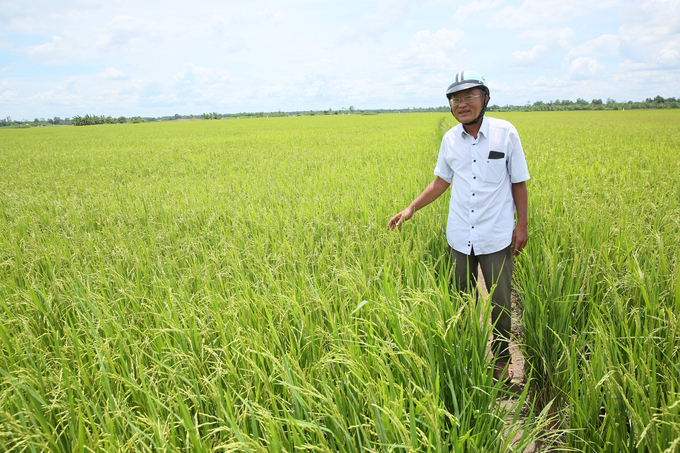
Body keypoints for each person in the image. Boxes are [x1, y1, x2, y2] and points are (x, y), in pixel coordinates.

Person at [387, 70, 529, 382]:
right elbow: (441, 182)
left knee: (501, 305)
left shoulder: (506, 133)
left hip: (495, 235)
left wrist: (522, 225)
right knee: (461, 301)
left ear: (485, 99)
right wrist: (410, 208)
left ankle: (502, 363)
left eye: (468, 97)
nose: (461, 104)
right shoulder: (450, 139)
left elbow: (518, 181)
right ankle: (469, 359)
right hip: (460, 236)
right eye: (455, 99)